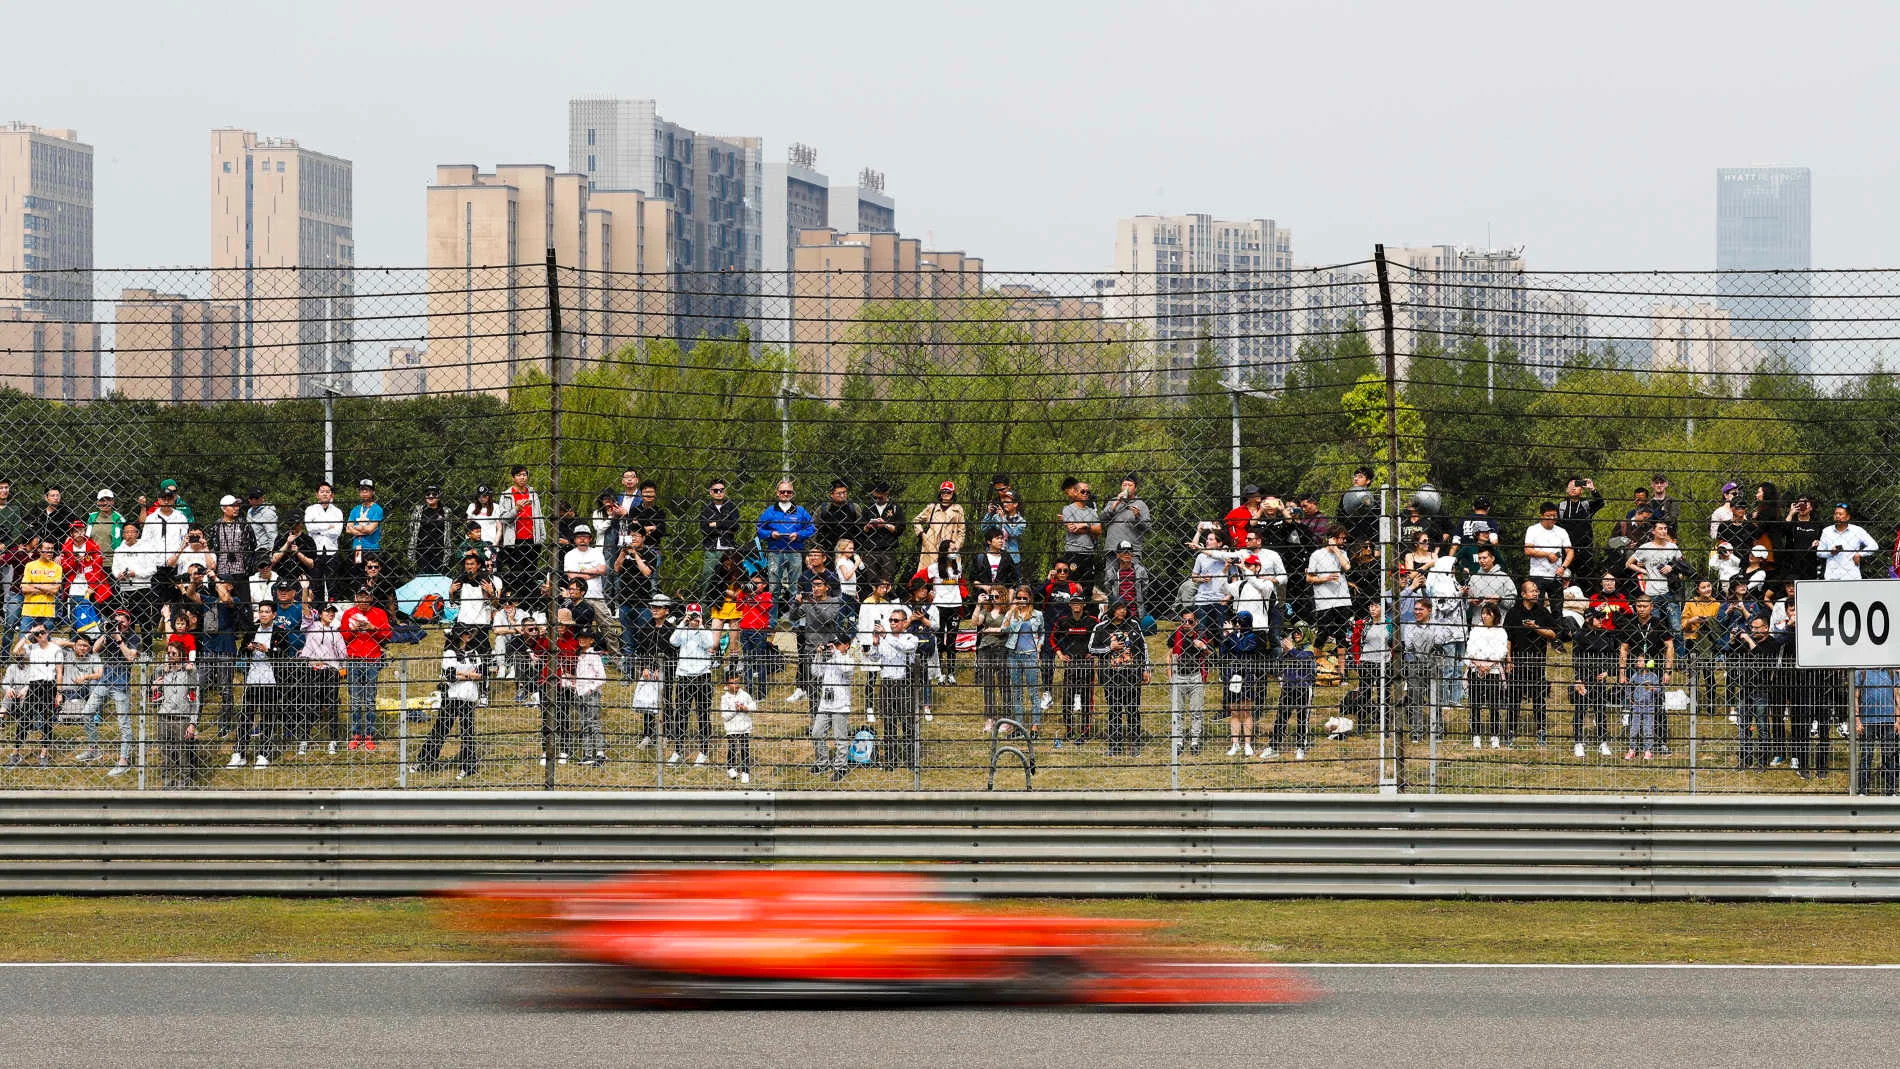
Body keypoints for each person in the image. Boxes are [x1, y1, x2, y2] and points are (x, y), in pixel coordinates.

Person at [226, 600, 289, 770]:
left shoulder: (280, 633)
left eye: (267, 611)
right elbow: (241, 652)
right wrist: (248, 648)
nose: (263, 614)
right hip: (252, 680)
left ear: (274, 615)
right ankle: (239, 753)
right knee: (246, 717)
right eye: (261, 611)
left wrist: (267, 650)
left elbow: (284, 653)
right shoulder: (252, 630)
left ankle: (264, 753)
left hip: (270, 681)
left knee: (267, 718)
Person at [414, 624, 484, 779]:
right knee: (440, 730)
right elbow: (450, 675)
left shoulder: (474, 651)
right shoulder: (450, 652)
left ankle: (468, 767)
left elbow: (481, 673)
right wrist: (469, 675)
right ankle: (423, 761)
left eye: (470, 632)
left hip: (468, 697)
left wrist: (463, 674)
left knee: (467, 734)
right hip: (452, 697)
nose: (468, 635)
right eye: (465, 632)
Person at [1504, 580, 1560, 746]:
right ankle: (1511, 730)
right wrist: (1508, 659)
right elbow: (1508, 638)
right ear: (1523, 594)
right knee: (1514, 697)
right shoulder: (1513, 613)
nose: (1536, 593)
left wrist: (1536, 628)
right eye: (1532, 591)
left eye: (1537, 590)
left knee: (1538, 697)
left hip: (1536, 661)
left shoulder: (1542, 612)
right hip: (1517, 661)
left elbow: (1553, 634)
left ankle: (1541, 730)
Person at [1090, 601, 1149, 756]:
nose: (1122, 611)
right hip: (1111, 676)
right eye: (1118, 608)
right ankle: (1115, 746)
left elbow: (1143, 647)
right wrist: (1111, 648)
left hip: (1131, 674)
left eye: (1124, 608)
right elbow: (1091, 648)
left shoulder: (1134, 624)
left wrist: (1145, 669)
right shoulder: (1101, 627)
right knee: (1114, 710)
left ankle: (1135, 745)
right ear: (1112, 610)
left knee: (1132, 711)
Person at [1730, 616, 1788, 771]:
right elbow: (1732, 657)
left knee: (1762, 727)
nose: (1753, 630)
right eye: (1751, 627)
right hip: (1745, 688)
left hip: (1762, 689)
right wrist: (1733, 641)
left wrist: (1749, 640)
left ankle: (1762, 761)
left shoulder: (1773, 643)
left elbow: (1762, 659)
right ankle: (1745, 759)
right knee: (1743, 726)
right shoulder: (1746, 642)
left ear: (1765, 628)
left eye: (1756, 628)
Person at [338, 586, 392, 751]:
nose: (362, 601)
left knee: (369, 699)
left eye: (366, 597)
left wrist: (373, 629)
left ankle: (368, 734)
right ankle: (356, 734)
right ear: (356, 598)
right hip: (354, 660)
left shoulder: (379, 613)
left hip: (372, 659)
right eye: (360, 597)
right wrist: (352, 630)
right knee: (354, 700)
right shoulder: (349, 613)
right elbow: (342, 636)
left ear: (371, 598)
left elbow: (388, 635)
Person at [89, 610, 142, 774]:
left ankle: (123, 761)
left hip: (120, 685)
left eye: (121, 621)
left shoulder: (133, 638)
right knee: (87, 713)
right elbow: (95, 649)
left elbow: (130, 658)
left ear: (128, 621)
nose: (118, 624)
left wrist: (119, 639)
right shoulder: (109, 633)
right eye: (116, 621)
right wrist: (107, 633)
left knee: (123, 724)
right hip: (104, 681)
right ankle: (93, 748)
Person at [868, 607, 920, 771]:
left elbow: (903, 648)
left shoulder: (911, 638)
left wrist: (885, 636)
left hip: (904, 683)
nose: (892, 623)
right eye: (890, 620)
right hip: (887, 684)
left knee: (907, 724)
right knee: (889, 724)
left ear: (905, 622)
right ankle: (891, 762)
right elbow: (874, 658)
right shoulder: (885, 639)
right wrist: (875, 645)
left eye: (895, 620)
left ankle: (912, 761)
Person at [6, 623, 65, 767]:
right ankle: (16, 753)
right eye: (37, 633)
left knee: (47, 721)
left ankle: (43, 754)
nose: (40, 635)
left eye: (42, 632)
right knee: (24, 719)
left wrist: (59, 693)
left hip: (49, 686)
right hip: (33, 686)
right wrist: (27, 635)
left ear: (47, 632)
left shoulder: (56, 649)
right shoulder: (32, 648)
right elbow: (15, 651)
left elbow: (59, 672)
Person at [757, 480, 814, 628]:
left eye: (788, 492)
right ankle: (771, 621)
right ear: (777, 493)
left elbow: (811, 528)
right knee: (774, 588)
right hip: (775, 553)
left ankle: (794, 621)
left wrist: (798, 534)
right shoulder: (770, 511)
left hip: (795, 552)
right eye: (782, 491)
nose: (785, 494)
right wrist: (771, 534)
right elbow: (759, 529)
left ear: (792, 493)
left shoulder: (800, 511)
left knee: (795, 587)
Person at [667, 605, 717, 767]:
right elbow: (673, 641)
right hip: (684, 676)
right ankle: (678, 750)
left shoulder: (705, 631)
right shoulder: (683, 631)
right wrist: (683, 622)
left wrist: (700, 625)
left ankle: (703, 751)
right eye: (691, 615)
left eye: (697, 615)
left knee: (703, 715)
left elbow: (710, 643)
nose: (694, 618)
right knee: (681, 715)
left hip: (703, 676)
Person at [299, 593, 347, 755]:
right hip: (313, 671)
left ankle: (333, 740)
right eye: (327, 611)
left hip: (331, 672)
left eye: (333, 612)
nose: (330, 614)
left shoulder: (337, 632)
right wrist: (305, 590)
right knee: (310, 706)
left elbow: (343, 655)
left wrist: (342, 670)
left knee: (332, 706)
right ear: (320, 613)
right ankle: (304, 740)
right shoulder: (311, 627)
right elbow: (305, 610)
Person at [150, 640, 200, 789]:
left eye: (174, 654)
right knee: (165, 754)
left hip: (181, 717)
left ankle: (185, 783)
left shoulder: (190, 671)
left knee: (182, 753)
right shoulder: (162, 670)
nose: (170, 656)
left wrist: (192, 723)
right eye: (168, 653)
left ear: (181, 655)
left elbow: (195, 698)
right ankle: (167, 782)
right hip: (164, 716)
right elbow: (153, 694)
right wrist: (154, 688)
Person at [1219, 610, 1268, 758]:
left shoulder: (1252, 637)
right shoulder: (1234, 635)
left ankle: (1247, 744)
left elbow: (1242, 649)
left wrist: (1232, 634)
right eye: (1237, 622)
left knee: (1246, 711)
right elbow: (1223, 652)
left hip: (1245, 676)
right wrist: (1225, 637)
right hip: (1232, 676)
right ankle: (1235, 744)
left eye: (1240, 622)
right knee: (1234, 712)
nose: (1238, 624)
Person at [1625, 522, 1687, 635]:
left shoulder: (1673, 547)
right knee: (1654, 629)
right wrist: (1644, 571)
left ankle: (1679, 653)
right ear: (1654, 531)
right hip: (1652, 594)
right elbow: (1629, 563)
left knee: (1676, 628)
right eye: (1660, 528)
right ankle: (1655, 652)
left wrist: (1671, 567)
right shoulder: (1645, 548)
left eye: (1665, 528)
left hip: (1670, 592)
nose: (1664, 531)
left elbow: (1683, 564)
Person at [810, 635, 858, 781]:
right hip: (825, 704)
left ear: (847, 645)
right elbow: (816, 672)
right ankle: (822, 762)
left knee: (840, 738)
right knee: (816, 733)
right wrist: (818, 655)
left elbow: (845, 668)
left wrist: (836, 652)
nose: (835, 647)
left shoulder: (848, 660)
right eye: (834, 644)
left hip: (840, 706)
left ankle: (841, 767)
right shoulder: (830, 661)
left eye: (839, 644)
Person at [1466, 603, 1511, 750]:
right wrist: (1479, 663)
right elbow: (1471, 648)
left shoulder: (1500, 632)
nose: (1484, 616)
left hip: (1493, 671)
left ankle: (1495, 735)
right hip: (1476, 669)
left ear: (1495, 616)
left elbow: (1501, 650)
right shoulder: (1476, 630)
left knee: (1494, 704)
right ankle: (1476, 735)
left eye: (1488, 613)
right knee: (1475, 704)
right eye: (1483, 613)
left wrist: (1489, 664)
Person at [1002, 587, 1046, 737]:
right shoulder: (1012, 613)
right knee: (1017, 692)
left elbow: (1042, 633)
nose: (1021, 601)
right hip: (1013, 655)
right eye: (1018, 598)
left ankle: (1035, 728)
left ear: (1029, 599)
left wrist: (1039, 647)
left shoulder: (1037, 614)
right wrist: (1010, 611)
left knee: (1033, 692)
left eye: (1024, 598)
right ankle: (1019, 727)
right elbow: (1003, 630)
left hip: (1030, 656)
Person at [1268, 627, 1317, 760]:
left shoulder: (1309, 648)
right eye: (1295, 632)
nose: (1296, 635)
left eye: (1299, 632)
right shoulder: (1291, 647)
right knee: (1281, 717)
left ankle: (1301, 747)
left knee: (1302, 719)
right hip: (1288, 687)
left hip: (1304, 688)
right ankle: (1273, 746)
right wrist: (1284, 652)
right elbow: (1280, 662)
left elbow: (1305, 660)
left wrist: (1292, 650)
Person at [1305, 528, 1354, 648]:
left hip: (1342, 599)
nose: (1344, 540)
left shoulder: (1342, 553)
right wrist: (1325, 578)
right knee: (1322, 634)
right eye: (1342, 538)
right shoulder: (1317, 555)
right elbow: (1309, 578)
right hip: (1324, 601)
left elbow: (1347, 567)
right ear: (1332, 538)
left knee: (1341, 636)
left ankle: (1342, 667)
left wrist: (1336, 550)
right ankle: (1317, 664)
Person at [1522, 502, 1573, 612]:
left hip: (1556, 575)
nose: (1552, 518)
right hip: (1537, 574)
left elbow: (1570, 551)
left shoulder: (1561, 531)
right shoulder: (1533, 529)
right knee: (1536, 607)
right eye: (1548, 516)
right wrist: (1547, 554)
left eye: (1554, 515)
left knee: (1557, 609)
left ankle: (1557, 628)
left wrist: (1563, 567)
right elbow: (1527, 550)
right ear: (1541, 515)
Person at [1855, 667, 1899, 795]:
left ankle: (1890, 791)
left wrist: (1897, 720)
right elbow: (1855, 697)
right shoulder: (1862, 672)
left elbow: (1897, 697)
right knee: (1866, 756)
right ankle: (1863, 790)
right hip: (1868, 721)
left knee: (1889, 756)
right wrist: (1857, 720)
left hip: (1889, 721)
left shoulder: (1890, 673)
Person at [1056, 478, 1101, 591]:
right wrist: (1089, 527)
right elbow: (1073, 529)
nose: (1086, 494)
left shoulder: (1091, 511)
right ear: (1075, 492)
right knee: (1072, 586)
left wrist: (1083, 525)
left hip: (1088, 553)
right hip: (1073, 552)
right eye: (1083, 491)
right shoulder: (1067, 509)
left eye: (1088, 492)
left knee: (1087, 587)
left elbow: (1099, 530)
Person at [570, 628, 607, 766]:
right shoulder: (580, 656)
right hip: (580, 693)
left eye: (586, 637)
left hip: (591, 694)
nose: (582, 639)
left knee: (593, 722)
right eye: (580, 637)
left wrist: (591, 688)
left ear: (592, 640)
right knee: (584, 723)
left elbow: (602, 677)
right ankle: (587, 754)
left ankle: (600, 753)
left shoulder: (594, 656)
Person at [857, 482, 904, 589]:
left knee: (887, 580)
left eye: (880, 497)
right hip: (870, 549)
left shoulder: (895, 507)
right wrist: (868, 526)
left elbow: (900, 529)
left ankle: (887, 602)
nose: (877, 500)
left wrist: (885, 525)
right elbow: (860, 529)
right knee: (871, 580)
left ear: (887, 493)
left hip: (888, 549)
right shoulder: (868, 508)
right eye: (875, 497)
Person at [1817, 504, 1879, 581]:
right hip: (1832, 576)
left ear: (1847, 517)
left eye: (1840, 514)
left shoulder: (1857, 530)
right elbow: (1819, 552)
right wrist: (1831, 553)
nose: (1837, 516)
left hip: (1852, 576)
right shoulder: (1827, 531)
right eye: (1835, 514)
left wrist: (1859, 554)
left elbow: (1874, 545)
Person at [1098, 475, 1152, 559]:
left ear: (1135, 488)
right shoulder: (1113, 501)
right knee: (1110, 572)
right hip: (1113, 549)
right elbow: (1101, 519)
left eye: (1130, 485)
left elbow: (1147, 528)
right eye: (1124, 485)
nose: (1126, 487)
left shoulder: (1141, 505)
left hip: (1131, 551)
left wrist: (1138, 516)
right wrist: (1116, 503)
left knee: (1131, 572)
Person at [719, 670, 757, 784]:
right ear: (727, 685)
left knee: (745, 748)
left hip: (744, 727)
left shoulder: (744, 695)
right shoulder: (724, 698)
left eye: (737, 682)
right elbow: (725, 716)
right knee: (732, 747)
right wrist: (735, 710)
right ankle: (730, 768)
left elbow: (754, 706)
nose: (736, 685)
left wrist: (745, 708)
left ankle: (745, 772)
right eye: (733, 683)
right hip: (731, 728)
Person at [409, 486, 452, 576]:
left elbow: (448, 531)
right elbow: (412, 528)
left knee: (438, 577)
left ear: (439, 496)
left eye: (434, 494)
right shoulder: (418, 510)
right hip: (421, 551)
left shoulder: (446, 511)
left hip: (440, 551)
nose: (431, 496)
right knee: (423, 577)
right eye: (428, 494)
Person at [1625, 659, 1663, 761]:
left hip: (1649, 706)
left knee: (1648, 729)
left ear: (1647, 663)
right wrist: (1630, 698)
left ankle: (1648, 750)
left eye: (1640, 661)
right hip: (1637, 706)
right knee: (1634, 728)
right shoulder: (1635, 675)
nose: (1637, 663)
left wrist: (1652, 688)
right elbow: (1629, 686)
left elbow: (1659, 690)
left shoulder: (1653, 677)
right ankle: (1632, 749)